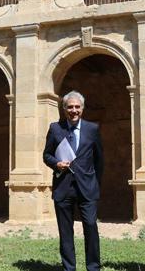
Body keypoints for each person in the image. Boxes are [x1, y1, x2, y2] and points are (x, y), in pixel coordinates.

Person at [43, 91, 104, 271]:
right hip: (64, 187)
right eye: (70, 107)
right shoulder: (55, 128)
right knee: (65, 231)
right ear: (64, 109)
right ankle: (69, 268)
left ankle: (93, 267)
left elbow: (99, 160)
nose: (74, 110)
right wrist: (57, 163)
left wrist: (96, 183)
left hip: (88, 188)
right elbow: (46, 155)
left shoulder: (92, 129)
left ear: (82, 109)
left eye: (77, 107)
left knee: (91, 227)